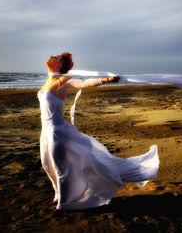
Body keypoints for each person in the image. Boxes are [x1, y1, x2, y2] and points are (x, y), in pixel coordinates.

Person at [37, 52, 159, 210]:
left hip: (57, 131)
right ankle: (57, 194)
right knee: (47, 165)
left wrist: (105, 80)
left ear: (60, 65)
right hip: (45, 131)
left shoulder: (63, 80)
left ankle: (65, 203)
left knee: (61, 167)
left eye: (57, 58)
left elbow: (84, 83)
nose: (52, 57)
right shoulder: (49, 80)